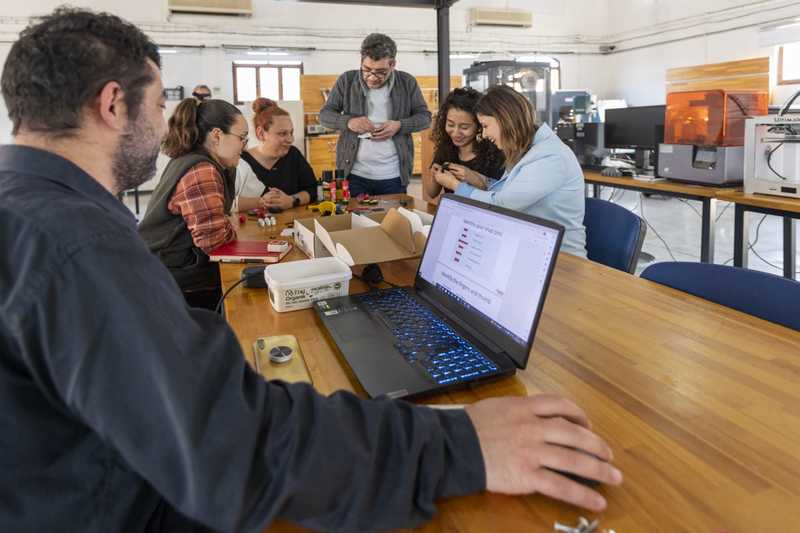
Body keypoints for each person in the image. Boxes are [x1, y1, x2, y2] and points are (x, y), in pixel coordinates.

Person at [0, 8, 622, 533]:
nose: (166, 123)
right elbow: (235, 445)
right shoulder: (75, 244)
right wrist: (462, 444)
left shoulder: (32, 213)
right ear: (114, 104)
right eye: (159, 103)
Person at [435, 85, 588, 257]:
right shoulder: (525, 149)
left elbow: (503, 205)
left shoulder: (550, 156)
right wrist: (477, 179)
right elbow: (511, 190)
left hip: (561, 257)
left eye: (485, 126)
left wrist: (456, 186)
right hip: (527, 247)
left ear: (504, 120)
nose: (484, 134)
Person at [138, 97, 248, 310]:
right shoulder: (201, 171)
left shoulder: (195, 160)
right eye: (242, 138)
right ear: (217, 135)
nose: (245, 145)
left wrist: (226, 223)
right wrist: (228, 224)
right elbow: (215, 242)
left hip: (170, 274)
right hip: (175, 284)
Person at [320, 33, 431, 197]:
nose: (372, 77)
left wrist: (400, 125)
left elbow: (425, 118)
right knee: (354, 214)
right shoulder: (347, 80)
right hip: (354, 174)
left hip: (393, 176)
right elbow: (324, 115)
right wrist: (349, 122)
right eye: (366, 70)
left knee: (392, 215)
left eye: (380, 72)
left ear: (392, 64)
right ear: (361, 61)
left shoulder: (407, 82)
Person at [234, 98, 317, 213]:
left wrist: (291, 200)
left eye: (291, 133)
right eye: (282, 133)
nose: (290, 139)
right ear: (261, 134)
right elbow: (227, 203)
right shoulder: (240, 162)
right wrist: (261, 202)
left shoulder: (293, 155)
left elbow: (313, 190)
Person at [424, 87, 505, 200]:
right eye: (451, 125)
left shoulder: (494, 153)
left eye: (464, 127)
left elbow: (500, 197)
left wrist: (473, 178)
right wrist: (435, 176)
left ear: (479, 126)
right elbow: (431, 193)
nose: (456, 133)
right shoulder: (446, 148)